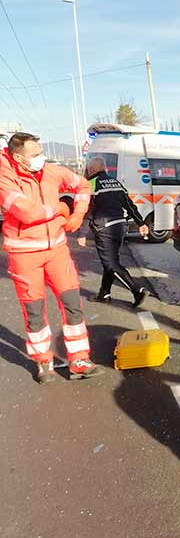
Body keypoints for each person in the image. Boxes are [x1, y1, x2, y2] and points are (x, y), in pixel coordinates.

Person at [0, 133, 104, 383]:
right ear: (17, 157)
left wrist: (78, 213)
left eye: (41, 152)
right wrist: (61, 208)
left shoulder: (53, 171)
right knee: (34, 312)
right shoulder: (4, 178)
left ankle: (79, 359)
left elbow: (82, 186)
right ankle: (43, 361)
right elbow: (28, 213)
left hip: (57, 251)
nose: (40, 158)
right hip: (25, 255)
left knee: (72, 305)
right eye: (34, 155)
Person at [78, 156, 150, 307]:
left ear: (91, 170)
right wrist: (141, 223)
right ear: (105, 169)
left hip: (105, 228)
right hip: (120, 227)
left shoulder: (90, 184)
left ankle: (137, 290)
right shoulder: (116, 183)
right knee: (111, 261)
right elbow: (129, 205)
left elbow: (87, 210)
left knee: (111, 264)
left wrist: (82, 233)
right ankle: (104, 292)